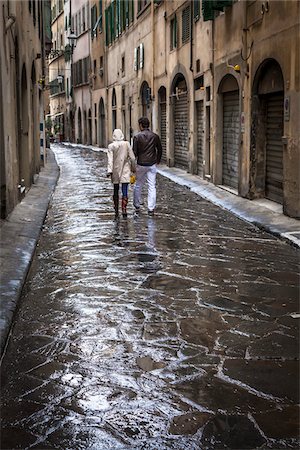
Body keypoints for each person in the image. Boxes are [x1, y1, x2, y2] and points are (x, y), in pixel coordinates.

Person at [133, 117, 162, 215]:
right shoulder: (155, 136)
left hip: (141, 164)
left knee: (138, 185)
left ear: (141, 125)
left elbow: (134, 152)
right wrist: (157, 160)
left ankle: (137, 205)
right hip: (152, 164)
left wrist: (133, 165)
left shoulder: (137, 137)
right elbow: (160, 149)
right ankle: (150, 208)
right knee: (152, 186)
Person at [107, 129, 136, 219]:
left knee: (115, 189)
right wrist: (133, 169)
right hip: (125, 169)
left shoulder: (111, 146)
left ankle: (116, 209)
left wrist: (109, 170)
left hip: (115, 170)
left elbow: (110, 160)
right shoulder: (126, 144)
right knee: (125, 189)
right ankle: (124, 209)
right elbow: (132, 158)